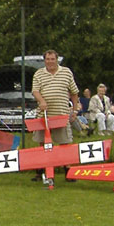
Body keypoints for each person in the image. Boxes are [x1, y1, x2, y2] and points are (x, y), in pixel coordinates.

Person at [30, 49, 79, 181]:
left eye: (52, 59)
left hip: (62, 114)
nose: (50, 62)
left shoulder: (66, 72)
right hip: (44, 115)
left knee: (65, 143)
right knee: (42, 143)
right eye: (48, 59)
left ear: (57, 60)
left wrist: (74, 111)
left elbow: (74, 92)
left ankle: (68, 171)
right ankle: (40, 171)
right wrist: (41, 101)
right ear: (44, 60)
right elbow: (35, 91)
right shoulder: (39, 74)